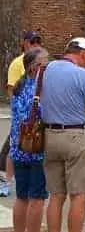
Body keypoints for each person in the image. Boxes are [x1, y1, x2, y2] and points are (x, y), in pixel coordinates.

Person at [40, 37, 85, 232]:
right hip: (76, 135)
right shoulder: (82, 75)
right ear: (83, 54)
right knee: (78, 195)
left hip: (50, 134)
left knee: (56, 195)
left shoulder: (46, 70)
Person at [9, 47, 49, 232]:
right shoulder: (41, 90)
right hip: (36, 150)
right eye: (45, 64)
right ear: (35, 67)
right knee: (37, 198)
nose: (48, 67)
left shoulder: (19, 86)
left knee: (21, 196)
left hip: (18, 147)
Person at [2, 31, 42, 198]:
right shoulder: (17, 63)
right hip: (23, 114)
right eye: (32, 41)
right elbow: (12, 89)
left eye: (38, 41)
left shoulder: (41, 60)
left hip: (33, 117)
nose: (35, 45)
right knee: (13, 147)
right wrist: (17, 112)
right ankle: (7, 181)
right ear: (25, 43)